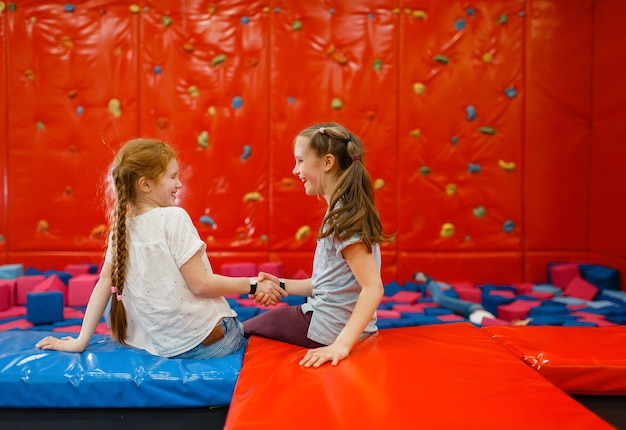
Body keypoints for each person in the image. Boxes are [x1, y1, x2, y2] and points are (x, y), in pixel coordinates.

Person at [36, 138, 285, 359]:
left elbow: (103, 284)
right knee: (271, 323)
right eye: (172, 176)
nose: (179, 184)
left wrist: (81, 341)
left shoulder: (121, 228)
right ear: (145, 184)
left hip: (165, 346)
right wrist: (253, 284)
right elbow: (201, 285)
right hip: (209, 343)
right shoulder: (173, 217)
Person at [243, 122, 387, 368]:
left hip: (325, 328)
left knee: (241, 330)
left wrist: (341, 345)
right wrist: (280, 284)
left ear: (327, 163)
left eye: (300, 161)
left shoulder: (344, 218)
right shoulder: (344, 210)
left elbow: (373, 287)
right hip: (331, 324)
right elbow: (326, 285)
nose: (294, 170)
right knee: (261, 324)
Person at [413, 272, 531, 325]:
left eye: (520, 323)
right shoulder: (503, 325)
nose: (517, 321)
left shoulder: (505, 327)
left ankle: (440, 285)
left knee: (443, 302)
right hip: (472, 308)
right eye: (520, 321)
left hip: (465, 314)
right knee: (440, 299)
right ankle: (430, 281)